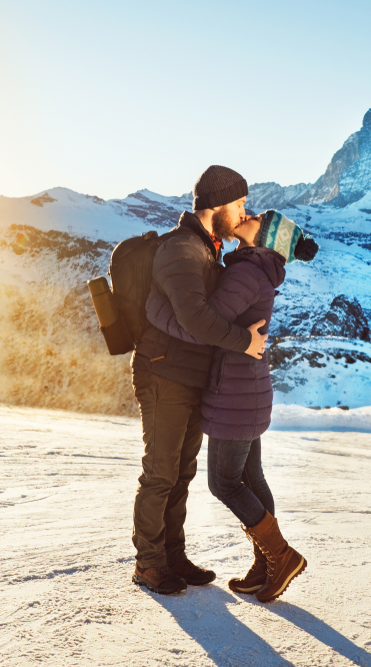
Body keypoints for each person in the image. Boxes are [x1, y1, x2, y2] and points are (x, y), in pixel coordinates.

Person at [147, 209, 319, 602]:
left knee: (223, 482)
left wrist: (157, 315)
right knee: (253, 479)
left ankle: (281, 555)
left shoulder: (247, 272)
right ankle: (266, 564)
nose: (251, 213)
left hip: (235, 395)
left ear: (265, 238)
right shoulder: (258, 268)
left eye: (260, 218)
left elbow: (203, 324)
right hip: (249, 391)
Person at [131, 166, 269, 595]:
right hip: (163, 373)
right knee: (160, 474)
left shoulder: (206, 248)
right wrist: (243, 343)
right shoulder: (182, 250)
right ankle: (149, 564)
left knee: (182, 473)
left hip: (189, 377)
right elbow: (195, 318)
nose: (245, 212)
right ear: (217, 205)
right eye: (240, 204)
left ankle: (173, 555)